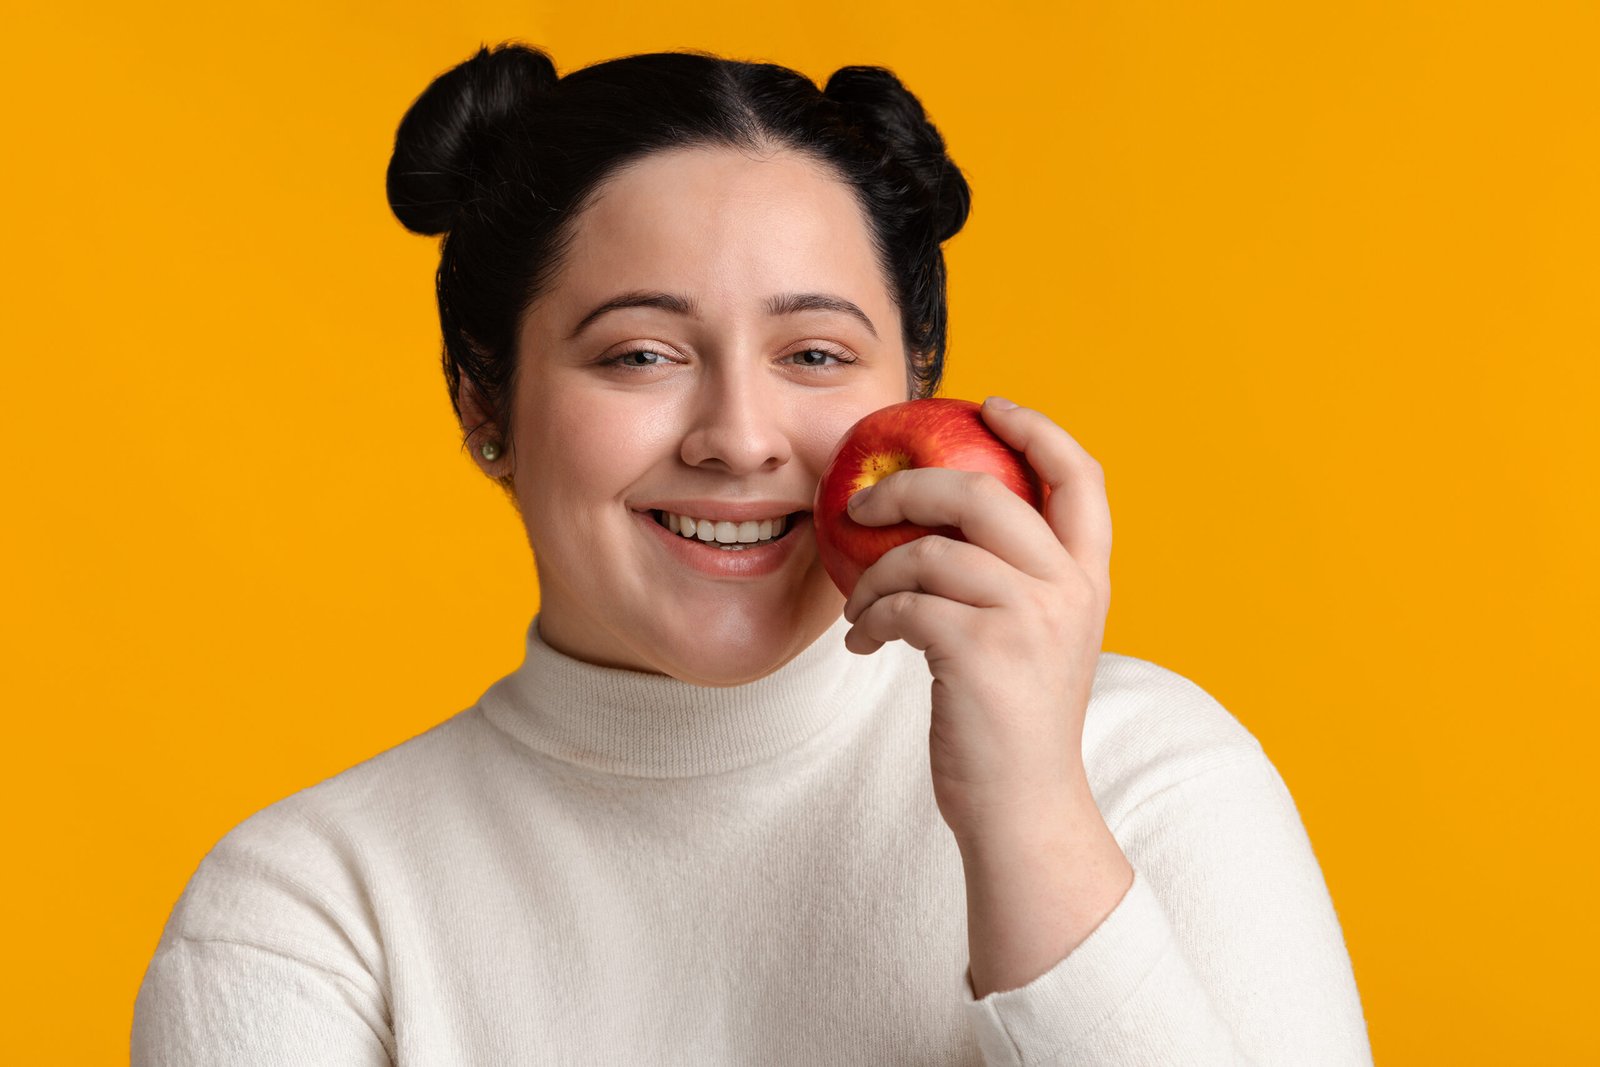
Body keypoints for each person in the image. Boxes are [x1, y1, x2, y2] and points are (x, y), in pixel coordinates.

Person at [131, 42, 1373, 1065]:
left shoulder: (1147, 775)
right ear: (482, 403)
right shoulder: (308, 911)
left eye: (816, 355)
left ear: (917, 381)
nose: (736, 437)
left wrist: (1030, 819)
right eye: (639, 354)